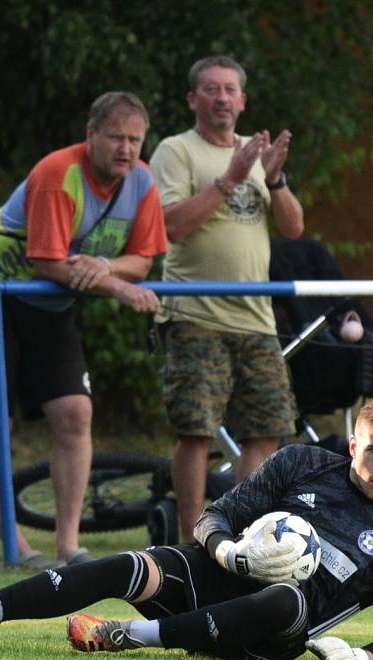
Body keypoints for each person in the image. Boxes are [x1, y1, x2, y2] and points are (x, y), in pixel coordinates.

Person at [0, 398, 373, 660]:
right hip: (221, 581)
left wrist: (361, 656)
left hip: (274, 631)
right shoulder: (300, 463)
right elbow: (213, 519)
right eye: (372, 450)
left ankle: (126, 637)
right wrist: (231, 552)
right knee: (131, 565)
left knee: (286, 598)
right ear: (351, 445)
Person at [0, 92, 167, 571]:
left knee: (75, 411)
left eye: (135, 139)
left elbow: (144, 259)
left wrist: (102, 265)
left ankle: (69, 546)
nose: (125, 149)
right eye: (115, 138)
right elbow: (49, 261)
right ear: (90, 136)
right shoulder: (56, 173)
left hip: (49, 298)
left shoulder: (143, 182)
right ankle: (16, 547)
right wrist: (121, 290)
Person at [149, 55, 305, 541]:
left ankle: (239, 535)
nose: (221, 98)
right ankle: (192, 540)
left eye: (229, 89)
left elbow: (294, 227)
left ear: (243, 100)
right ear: (193, 99)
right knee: (197, 431)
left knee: (267, 430)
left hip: (255, 318)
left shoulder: (255, 156)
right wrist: (231, 179)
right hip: (195, 313)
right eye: (210, 89)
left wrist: (273, 179)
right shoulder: (176, 151)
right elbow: (170, 226)